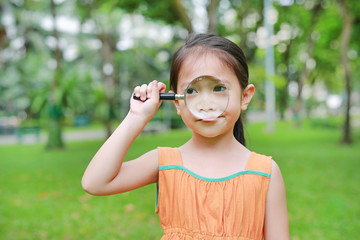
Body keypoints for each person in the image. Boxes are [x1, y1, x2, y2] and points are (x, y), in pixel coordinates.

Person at [82, 33, 289, 240]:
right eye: (192, 91)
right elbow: (95, 182)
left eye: (218, 88)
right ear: (177, 102)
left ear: (245, 97)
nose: (205, 103)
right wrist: (136, 117)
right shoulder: (163, 162)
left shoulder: (266, 172)